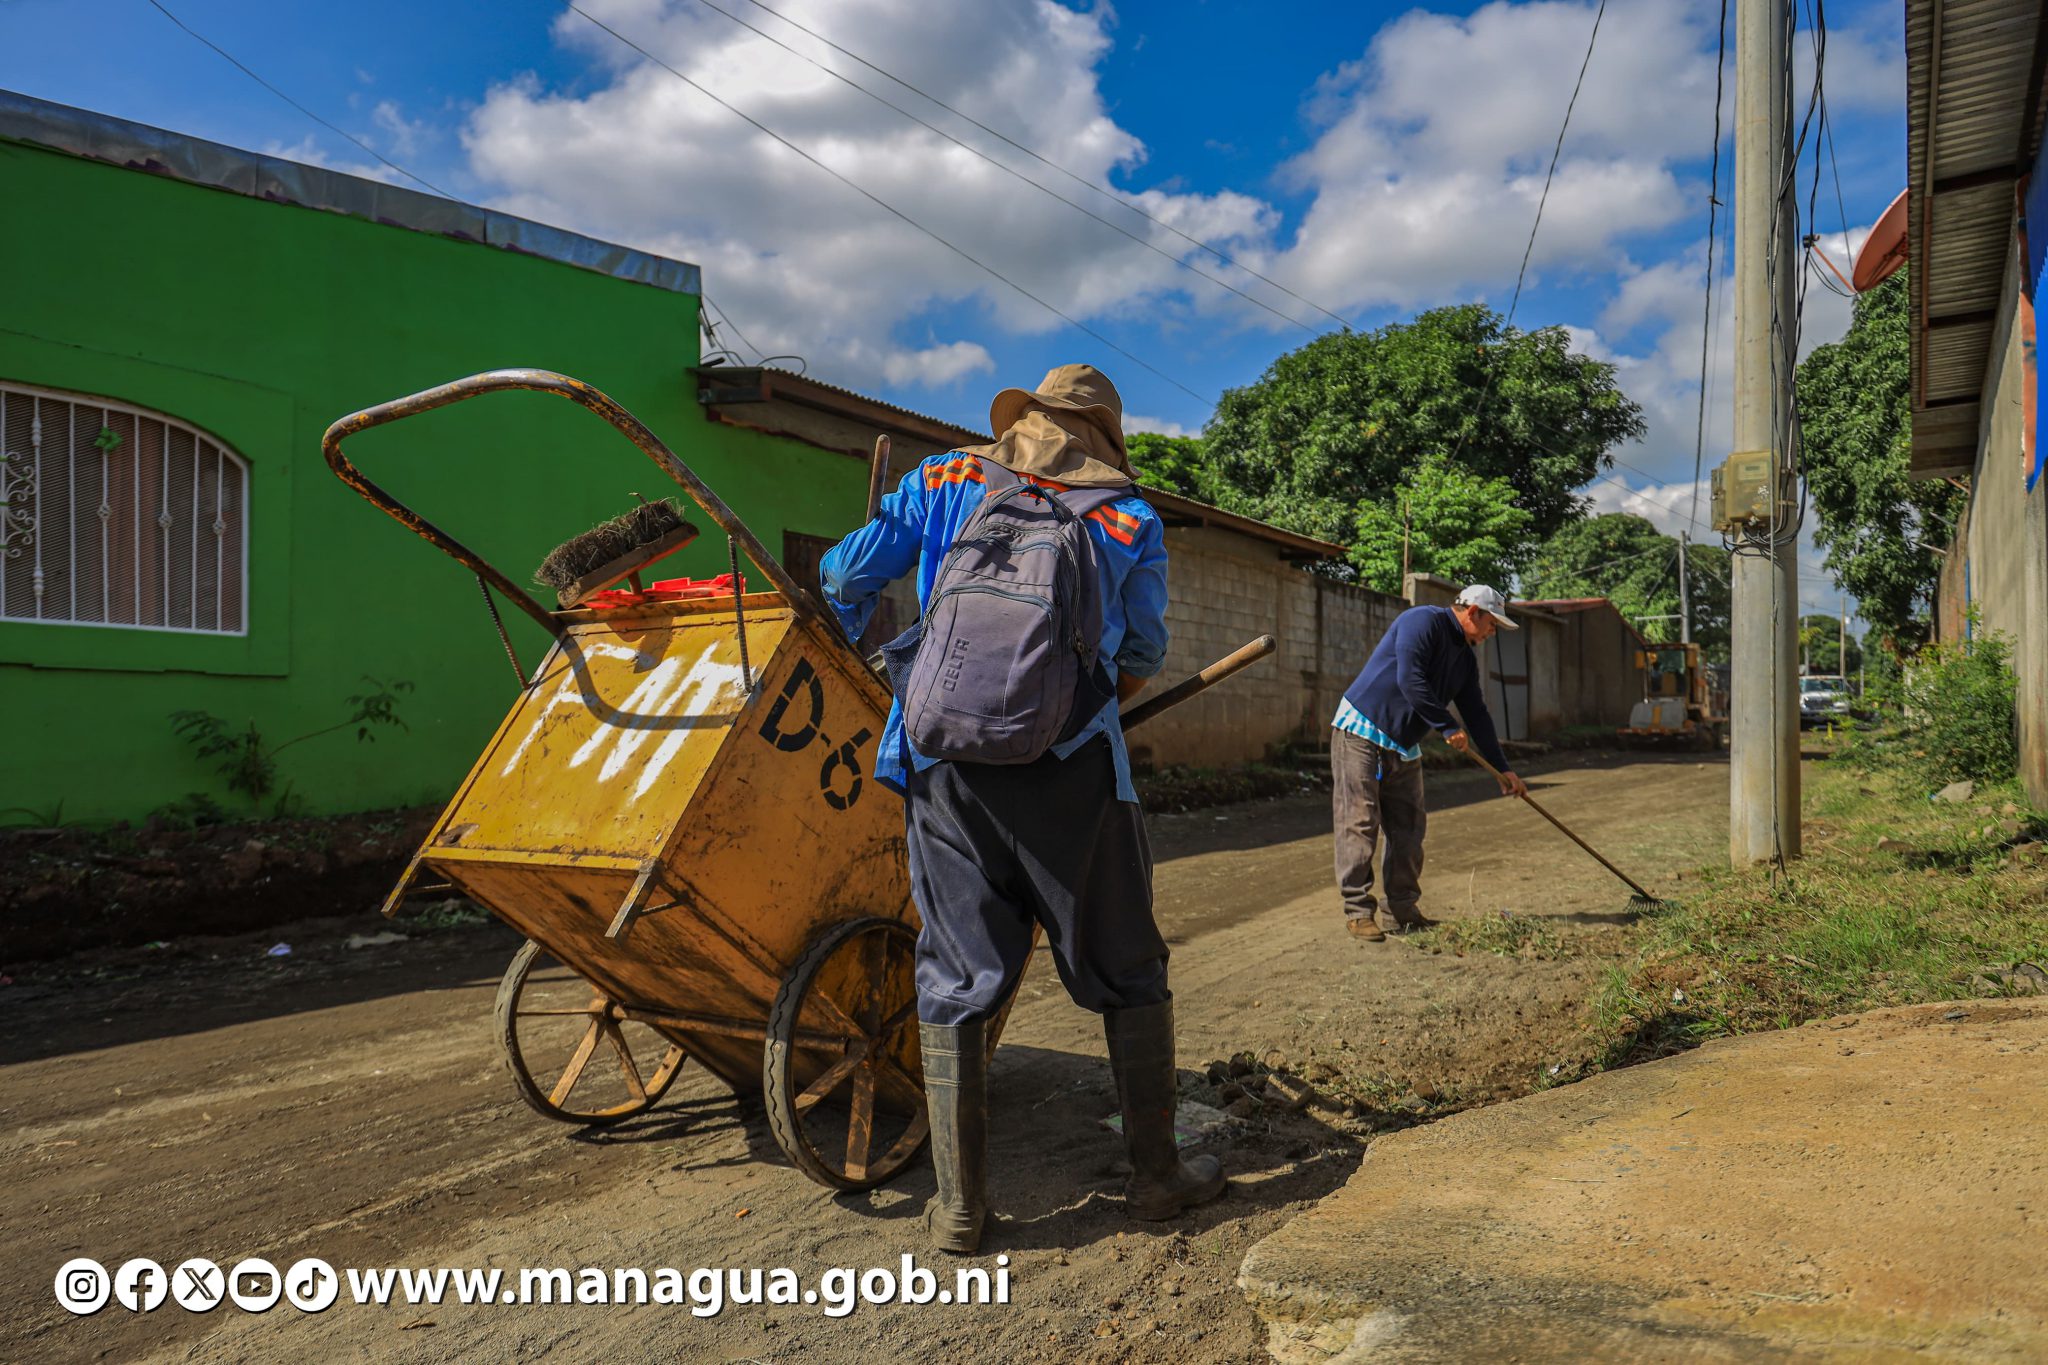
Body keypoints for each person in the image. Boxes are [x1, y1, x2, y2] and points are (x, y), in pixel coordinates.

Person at [820, 364, 1224, 1255]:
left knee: (957, 975)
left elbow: (844, 571)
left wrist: (879, 647)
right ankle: (1158, 1177)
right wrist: (1066, 710)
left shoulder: (943, 478)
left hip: (940, 764)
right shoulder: (1129, 518)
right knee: (1127, 966)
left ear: (1026, 419)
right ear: (1105, 438)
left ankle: (961, 1210)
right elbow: (1142, 653)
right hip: (1074, 770)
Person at [1331, 584, 1530, 942]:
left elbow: (1477, 714)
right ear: (1473, 612)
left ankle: (1402, 910)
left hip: (1403, 743)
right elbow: (1411, 679)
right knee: (1360, 822)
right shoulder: (1421, 621)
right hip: (1361, 730)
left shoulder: (1464, 660)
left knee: (1409, 828)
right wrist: (1447, 726)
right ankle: (1358, 912)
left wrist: (1503, 769)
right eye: (1492, 624)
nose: (1492, 632)